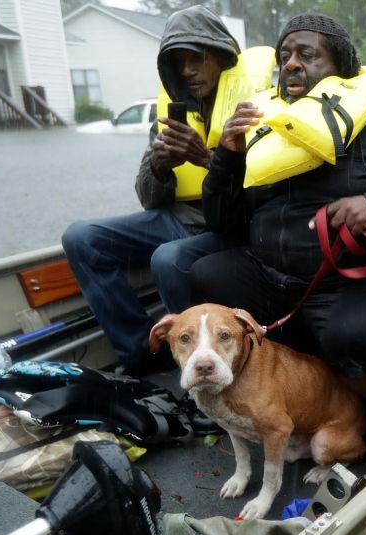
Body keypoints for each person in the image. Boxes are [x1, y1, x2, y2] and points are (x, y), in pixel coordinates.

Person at [189, 13, 366, 469]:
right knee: (203, 274)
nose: (291, 64)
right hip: (279, 273)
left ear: (341, 66)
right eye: (284, 56)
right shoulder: (269, 126)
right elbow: (223, 223)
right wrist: (226, 157)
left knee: (355, 335)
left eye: (307, 55)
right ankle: (248, 395)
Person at [62, 6, 257, 375]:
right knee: (81, 238)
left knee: (168, 258)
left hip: (230, 227)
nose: (187, 71)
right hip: (177, 218)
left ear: (221, 56)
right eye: (178, 62)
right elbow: (148, 197)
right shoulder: (171, 111)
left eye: (196, 59)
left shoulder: (253, 106)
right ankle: (141, 353)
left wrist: (205, 157)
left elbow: (261, 192)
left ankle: (205, 367)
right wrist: (159, 165)